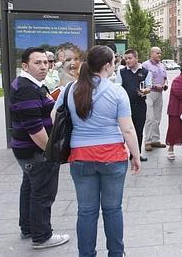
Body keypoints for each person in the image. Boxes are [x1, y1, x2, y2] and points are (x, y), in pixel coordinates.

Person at [53, 45, 141, 257]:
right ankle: (116, 254)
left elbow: (54, 118)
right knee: (112, 210)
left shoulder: (69, 90)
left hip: (80, 158)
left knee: (86, 211)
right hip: (113, 158)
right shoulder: (116, 91)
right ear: (107, 65)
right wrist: (136, 156)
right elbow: (128, 129)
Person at [8, 47, 69, 249]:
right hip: (35, 152)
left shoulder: (33, 85)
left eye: (46, 62)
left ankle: (28, 227)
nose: (44, 66)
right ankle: (42, 236)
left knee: (30, 188)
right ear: (25, 66)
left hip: (26, 151)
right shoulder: (26, 88)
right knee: (43, 192)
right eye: (38, 63)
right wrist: (52, 153)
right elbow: (35, 129)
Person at [115, 49, 151, 162]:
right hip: (125, 107)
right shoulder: (121, 72)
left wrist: (146, 90)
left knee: (138, 130)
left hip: (140, 105)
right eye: (126, 59)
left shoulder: (145, 72)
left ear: (136, 58)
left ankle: (137, 154)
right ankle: (122, 153)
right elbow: (117, 88)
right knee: (123, 130)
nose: (127, 61)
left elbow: (149, 87)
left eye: (130, 58)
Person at [142, 47, 168, 151]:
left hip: (159, 94)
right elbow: (143, 80)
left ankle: (155, 140)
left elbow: (165, 78)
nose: (159, 55)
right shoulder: (145, 65)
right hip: (150, 93)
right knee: (149, 118)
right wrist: (154, 86)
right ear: (151, 53)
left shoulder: (162, 65)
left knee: (157, 118)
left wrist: (165, 84)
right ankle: (147, 141)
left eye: (160, 53)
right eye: (157, 53)